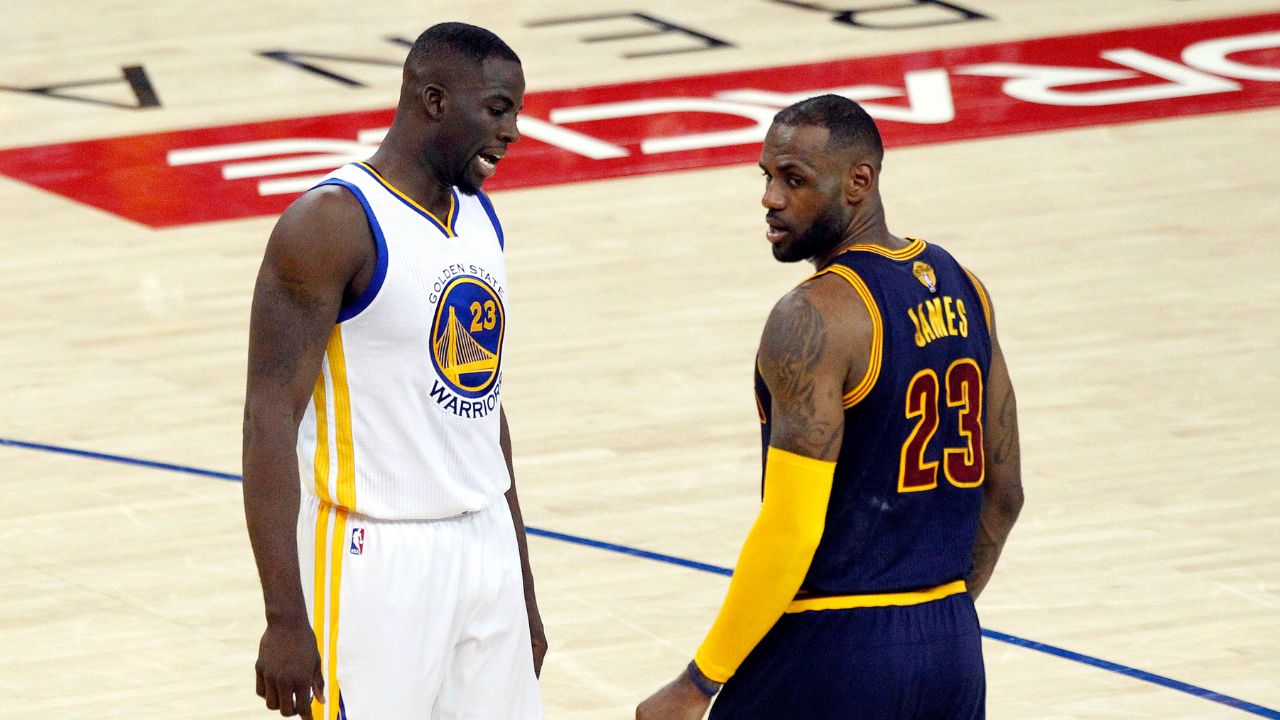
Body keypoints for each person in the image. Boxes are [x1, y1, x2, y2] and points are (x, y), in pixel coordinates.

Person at [636, 95, 1024, 720]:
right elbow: (1004, 494)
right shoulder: (965, 286)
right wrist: (932, 622)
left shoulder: (815, 315)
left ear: (859, 182)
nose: (770, 197)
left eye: (794, 180)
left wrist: (699, 681)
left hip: (833, 648)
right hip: (952, 647)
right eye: (766, 176)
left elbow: (791, 528)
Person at [241, 22, 545, 720]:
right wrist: (284, 616)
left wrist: (520, 584)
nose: (515, 132)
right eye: (498, 110)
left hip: (484, 543)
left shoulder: (479, 218)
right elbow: (268, 418)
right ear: (433, 101)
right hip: (375, 558)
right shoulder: (329, 224)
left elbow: (483, 408)